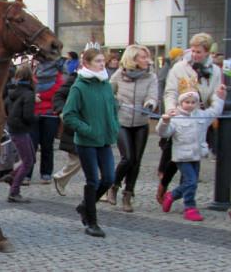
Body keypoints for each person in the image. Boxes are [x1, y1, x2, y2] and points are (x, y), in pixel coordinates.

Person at [157, 33, 222, 203]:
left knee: (193, 157)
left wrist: (215, 106)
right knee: (174, 156)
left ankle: (186, 197)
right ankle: (164, 184)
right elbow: (170, 91)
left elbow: (215, 94)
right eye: (193, 51)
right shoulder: (180, 67)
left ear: (207, 52)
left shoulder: (215, 71)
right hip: (180, 115)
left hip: (199, 117)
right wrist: (172, 111)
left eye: (199, 52)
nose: (194, 55)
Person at [63, 46, 119, 238]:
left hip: (104, 140)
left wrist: (114, 125)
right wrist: (88, 129)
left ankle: (85, 206)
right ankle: (92, 222)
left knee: (110, 178)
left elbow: (113, 108)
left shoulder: (105, 84)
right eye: (98, 61)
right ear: (86, 63)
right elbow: (69, 115)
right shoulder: (79, 86)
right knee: (93, 180)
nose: (102, 64)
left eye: (103, 61)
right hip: (86, 142)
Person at [157, 79, 225, 221]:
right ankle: (190, 207)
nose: (190, 105)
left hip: (196, 155)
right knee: (191, 182)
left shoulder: (201, 116)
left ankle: (172, 195)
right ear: (181, 103)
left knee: (190, 182)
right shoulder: (175, 118)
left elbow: (215, 111)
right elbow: (164, 133)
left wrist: (219, 97)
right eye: (187, 102)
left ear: (197, 103)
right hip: (182, 157)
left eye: (193, 102)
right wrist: (165, 121)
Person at [107, 45, 158, 212]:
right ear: (133, 59)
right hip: (123, 121)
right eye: (143, 57)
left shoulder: (151, 76)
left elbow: (153, 95)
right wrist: (116, 102)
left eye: (147, 57)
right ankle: (114, 185)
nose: (147, 60)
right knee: (127, 158)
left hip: (141, 122)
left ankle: (128, 194)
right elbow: (109, 93)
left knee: (136, 161)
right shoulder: (119, 75)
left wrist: (150, 104)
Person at [3, 65, 37, 203]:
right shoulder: (28, 94)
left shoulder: (12, 91)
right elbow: (28, 116)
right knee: (28, 161)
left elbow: (5, 108)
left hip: (15, 128)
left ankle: (12, 176)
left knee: (32, 158)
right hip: (21, 129)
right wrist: (38, 118)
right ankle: (14, 191)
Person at [30, 59, 63, 184]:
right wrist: (32, 95)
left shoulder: (57, 76)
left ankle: (46, 173)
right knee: (31, 145)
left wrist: (40, 96)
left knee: (47, 146)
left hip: (50, 114)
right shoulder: (34, 73)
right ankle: (27, 174)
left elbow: (56, 91)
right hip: (34, 113)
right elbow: (29, 87)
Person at [52, 57, 81, 196]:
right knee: (76, 159)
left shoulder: (103, 80)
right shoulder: (74, 79)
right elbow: (58, 97)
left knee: (100, 160)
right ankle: (61, 178)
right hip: (75, 126)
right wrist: (63, 112)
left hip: (95, 127)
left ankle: (103, 190)